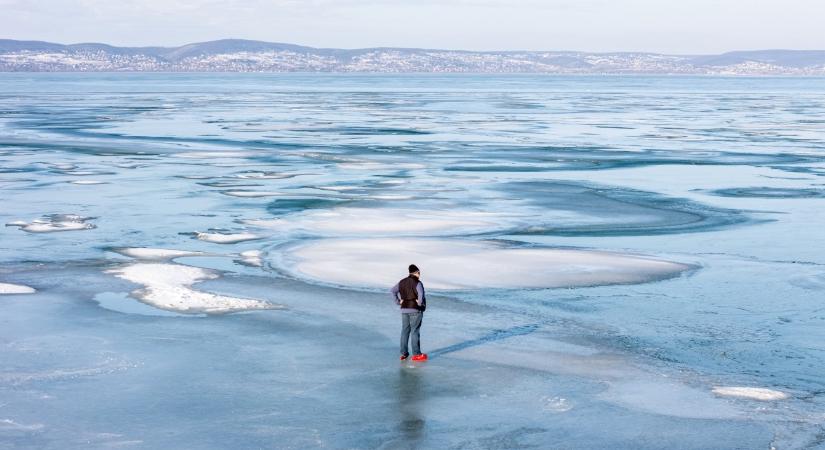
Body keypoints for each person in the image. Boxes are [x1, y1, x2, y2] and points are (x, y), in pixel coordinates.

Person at [390, 264, 427, 361]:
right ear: (416, 272)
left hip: (404, 310)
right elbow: (421, 294)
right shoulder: (418, 283)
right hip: (415, 310)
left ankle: (404, 353)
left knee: (405, 331)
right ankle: (417, 354)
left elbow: (392, 291)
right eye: (419, 272)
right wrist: (419, 303)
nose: (420, 274)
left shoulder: (401, 282)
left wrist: (398, 302)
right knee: (415, 331)